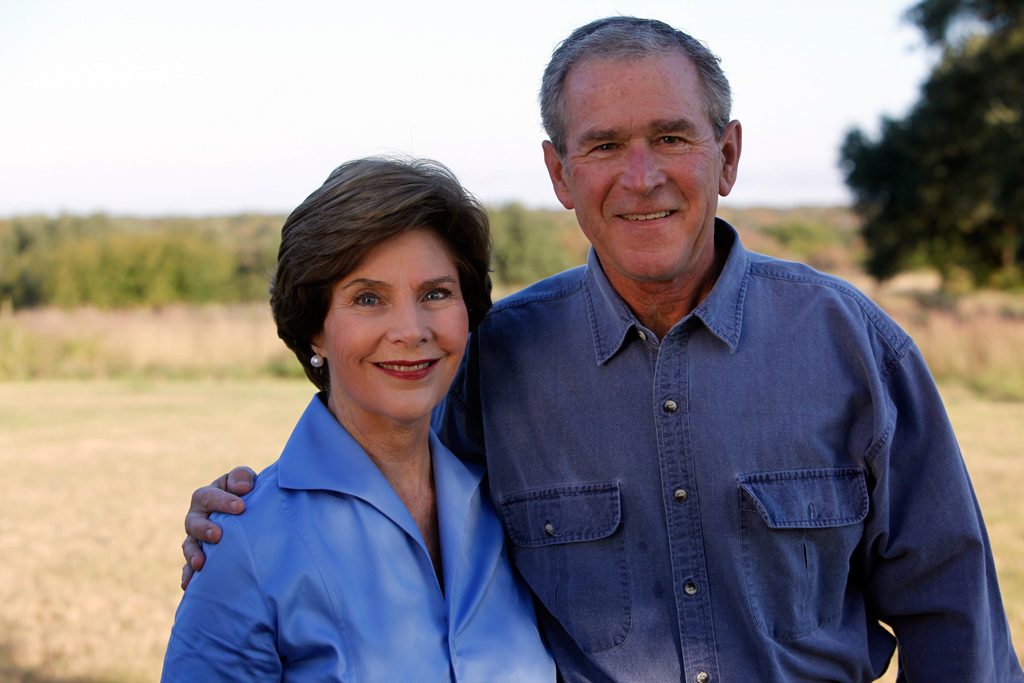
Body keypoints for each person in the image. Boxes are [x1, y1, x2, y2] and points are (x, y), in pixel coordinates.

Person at [179, 17, 1024, 682]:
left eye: (672, 136)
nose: (642, 175)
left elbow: (955, 615)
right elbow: (382, 489)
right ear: (559, 174)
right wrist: (254, 522)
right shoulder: (495, 360)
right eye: (605, 145)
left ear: (726, 154)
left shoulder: (853, 347)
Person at [162, 157, 555, 681]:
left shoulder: (507, 509)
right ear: (314, 331)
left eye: (435, 294)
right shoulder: (245, 544)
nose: (411, 330)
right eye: (368, 299)